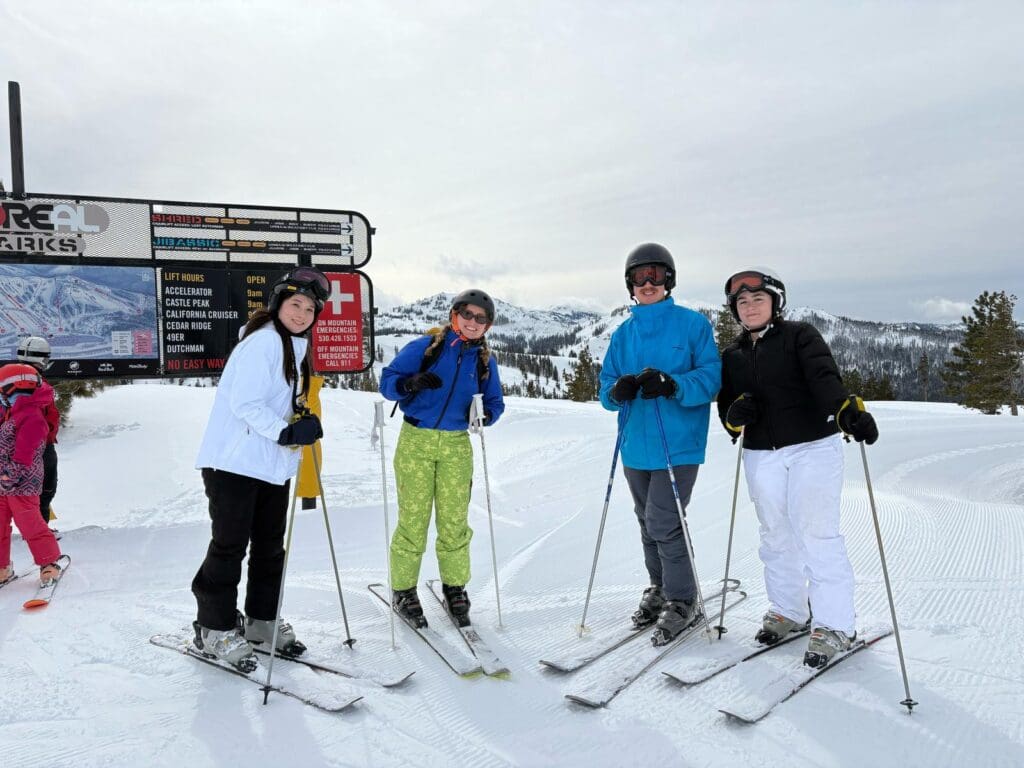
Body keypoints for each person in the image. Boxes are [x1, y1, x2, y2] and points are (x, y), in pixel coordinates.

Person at [716, 268, 879, 668]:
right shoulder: (733, 356)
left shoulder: (799, 336)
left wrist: (845, 411)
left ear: (775, 303)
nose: (750, 306)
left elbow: (824, 378)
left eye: (758, 299)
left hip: (812, 447)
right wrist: (735, 416)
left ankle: (835, 624)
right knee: (775, 534)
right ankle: (789, 610)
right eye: (742, 301)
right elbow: (727, 410)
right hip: (760, 452)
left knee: (816, 533)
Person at [190, 266, 330, 672]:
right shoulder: (265, 343)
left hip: (269, 465)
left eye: (309, 309)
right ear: (278, 304)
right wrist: (286, 432)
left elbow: (276, 403)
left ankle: (261, 622)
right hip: (234, 463)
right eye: (295, 304)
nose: (302, 313)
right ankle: (213, 628)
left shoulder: (292, 349)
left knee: (270, 548)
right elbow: (246, 404)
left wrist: (301, 419)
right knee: (229, 545)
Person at [598, 244, 722, 646]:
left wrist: (674, 384)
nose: (647, 283)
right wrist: (617, 391)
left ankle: (684, 599)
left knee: (664, 521)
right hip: (636, 444)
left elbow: (711, 378)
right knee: (646, 521)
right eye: (639, 276)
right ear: (630, 284)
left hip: (678, 443)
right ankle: (662, 587)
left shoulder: (692, 326)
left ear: (669, 280)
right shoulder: (624, 333)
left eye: (656, 275)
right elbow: (605, 389)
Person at [379, 289, 505, 628]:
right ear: (454, 315)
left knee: (453, 521)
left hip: (455, 445)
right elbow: (387, 382)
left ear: (488, 325)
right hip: (416, 441)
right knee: (414, 520)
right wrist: (409, 383)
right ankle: (403, 589)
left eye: (481, 318)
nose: (473, 322)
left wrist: (485, 417)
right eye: (468, 314)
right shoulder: (425, 348)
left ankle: (455, 587)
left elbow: (495, 402)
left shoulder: (484, 360)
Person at [0, 363, 64, 587]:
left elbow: (25, 454)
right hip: (3, 482)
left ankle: (49, 563)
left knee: (29, 523)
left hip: (22, 483)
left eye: (1, 392)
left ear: (14, 389)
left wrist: (10, 475)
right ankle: (2, 567)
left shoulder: (32, 417)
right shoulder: (10, 413)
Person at [16, 336, 61, 527]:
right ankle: (39, 530)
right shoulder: (40, 386)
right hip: (39, 447)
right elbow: (50, 418)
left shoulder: (5, 381)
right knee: (44, 489)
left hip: (8, 447)